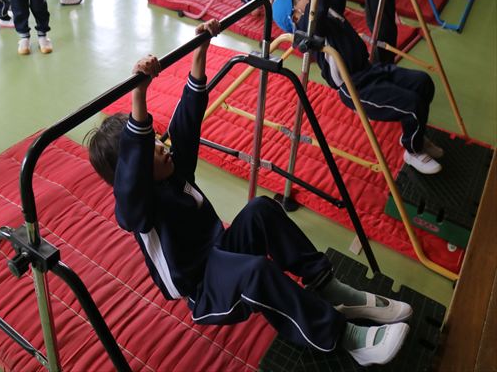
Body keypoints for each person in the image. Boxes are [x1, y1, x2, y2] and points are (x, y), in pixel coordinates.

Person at [86, 19, 412, 367]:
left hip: (221, 251)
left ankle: (328, 287)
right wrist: (138, 97)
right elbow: (132, 184)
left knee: (261, 210)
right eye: (148, 148)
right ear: (132, 171)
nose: (161, 146)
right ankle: (342, 336)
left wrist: (200, 50)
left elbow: (187, 122)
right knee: (257, 272)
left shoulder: (172, 169)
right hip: (204, 289)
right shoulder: (138, 211)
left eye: (154, 140)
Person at [273, 0, 444, 175]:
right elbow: (318, 8)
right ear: (295, 17)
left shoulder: (327, 10)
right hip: (355, 88)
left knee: (423, 82)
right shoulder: (308, 30)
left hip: (369, 70)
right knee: (413, 105)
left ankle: (416, 137)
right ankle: (413, 151)